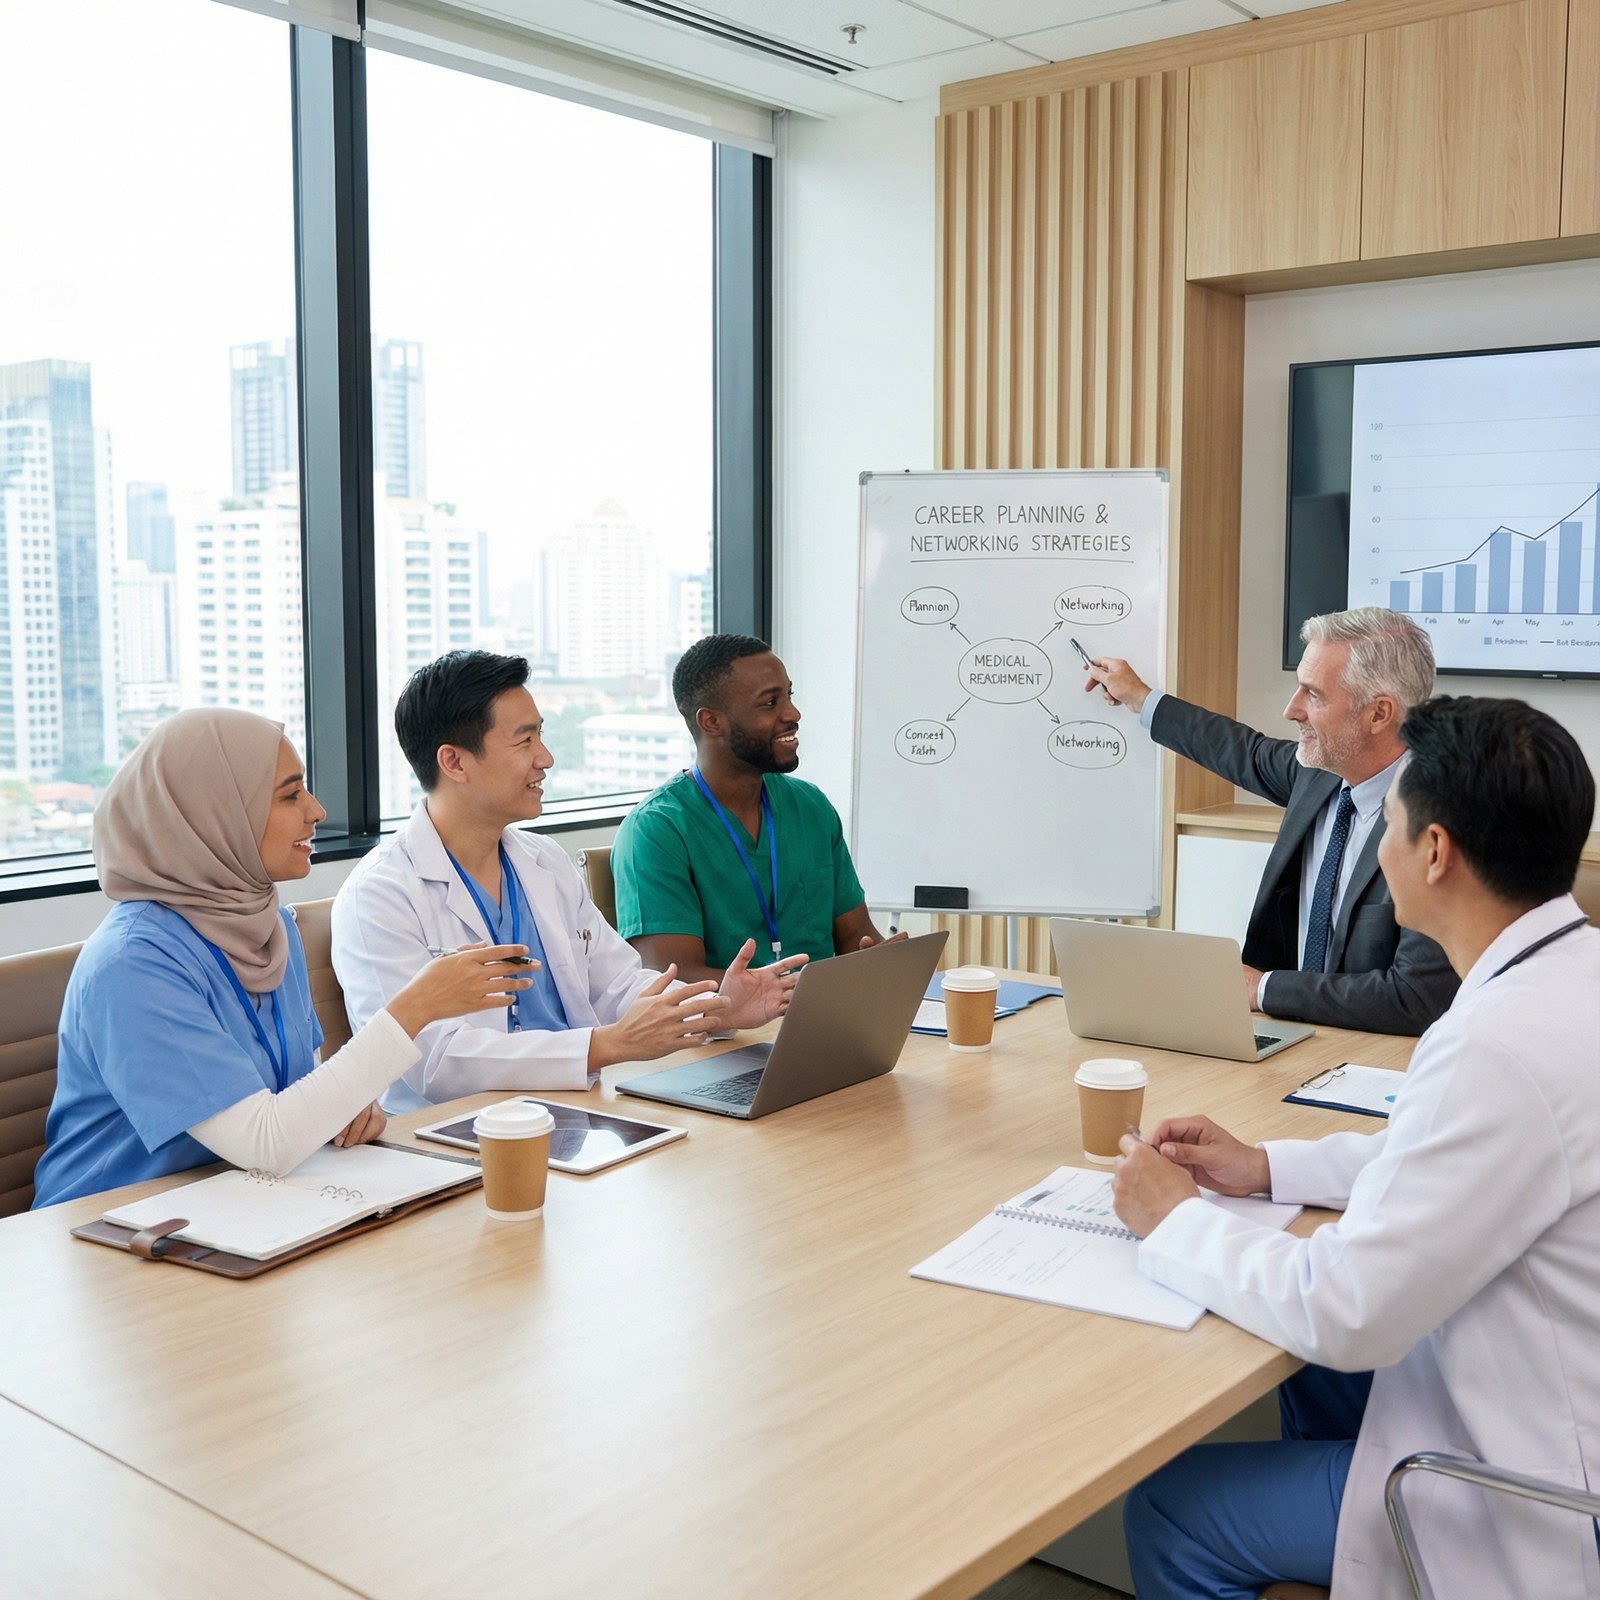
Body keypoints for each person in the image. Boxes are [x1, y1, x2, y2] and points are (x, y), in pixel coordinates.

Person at [1109, 695, 1599, 1600]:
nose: (1378, 846)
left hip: (1529, 1493)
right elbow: (1451, 1161)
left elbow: (1346, 1310)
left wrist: (1176, 1221)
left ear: (1436, 852)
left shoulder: (1492, 1043)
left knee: (1169, 1511)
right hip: (1531, 1382)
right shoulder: (1570, 976)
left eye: (1392, 824)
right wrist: (1268, 1167)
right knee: (1315, 1386)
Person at [31, 710, 528, 1209]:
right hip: (112, 1228)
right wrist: (416, 1007)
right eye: (290, 795)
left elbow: (296, 1103)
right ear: (216, 812)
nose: (316, 809)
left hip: (244, 1205)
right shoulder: (132, 964)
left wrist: (346, 1112)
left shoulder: (270, 926)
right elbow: (266, 1142)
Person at [332, 651, 804, 1112]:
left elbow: (617, 984)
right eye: (525, 741)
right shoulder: (380, 894)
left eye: (542, 735)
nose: (547, 758)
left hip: (577, 1107)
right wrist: (605, 1046)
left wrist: (716, 1006)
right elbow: (427, 1062)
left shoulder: (543, 861)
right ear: (454, 762)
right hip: (459, 1130)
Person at [1083, 607, 1457, 1035]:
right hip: (1287, 1040)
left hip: (1371, 1058)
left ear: (1378, 714)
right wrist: (1140, 697)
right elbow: (1237, 749)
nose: (1291, 710)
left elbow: (1415, 998)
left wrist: (1262, 990)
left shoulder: (1442, 824)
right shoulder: (1318, 774)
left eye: (1312, 694)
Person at [611, 633, 895, 984]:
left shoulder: (811, 806)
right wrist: (781, 990)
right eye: (769, 703)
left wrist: (888, 963)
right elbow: (672, 977)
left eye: (788, 696)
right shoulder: (656, 830)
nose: (793, 713)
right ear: (711, 722)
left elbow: (857, 938)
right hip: (725, 1036)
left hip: (822, 1020)